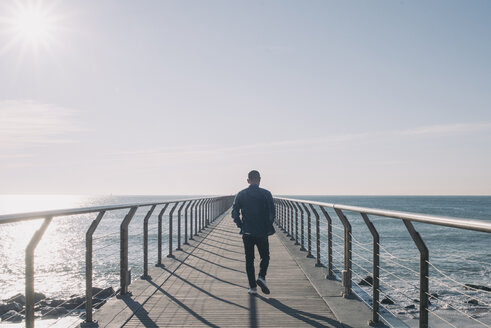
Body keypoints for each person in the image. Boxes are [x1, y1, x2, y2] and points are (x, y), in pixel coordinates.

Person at [232, 170, 276, 295]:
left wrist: (240, 224)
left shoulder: (241, 194)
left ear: (248, 180)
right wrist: (267, 225)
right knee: (265, 256)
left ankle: (252, 287)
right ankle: (261, 277)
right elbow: (272, 213)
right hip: (262, 232)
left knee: (249, 259)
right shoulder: (266, 194)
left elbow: (234, 211)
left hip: (247, 232)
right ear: (259, 179)